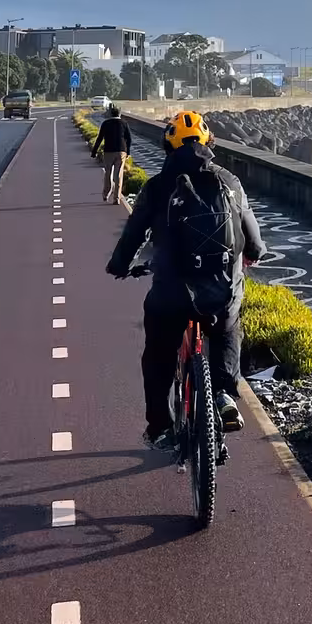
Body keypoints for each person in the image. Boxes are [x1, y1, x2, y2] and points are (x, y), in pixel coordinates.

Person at [105, 109, 264, 445]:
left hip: (171, 294)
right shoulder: (229, 181)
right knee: (228, 325)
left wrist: (119, 265)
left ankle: (160, 426)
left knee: (158, 352)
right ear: (208, 142)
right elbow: (254, 238)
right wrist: (251, 254)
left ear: (168, 145)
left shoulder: (158, 187)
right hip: (221, 291)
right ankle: (224, 396)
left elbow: (133, 234)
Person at [91, 103, 132, 205]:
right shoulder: (124, 123)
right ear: (120, 114)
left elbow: (99, 138)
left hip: (108, 151)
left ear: (110, 114)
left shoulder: (105, 123)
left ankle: (106, 194)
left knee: (108, 173)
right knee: (118, 175)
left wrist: (94, 151)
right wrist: (128, 152)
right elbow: (129, 139)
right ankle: (116, 198)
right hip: (121, 151)